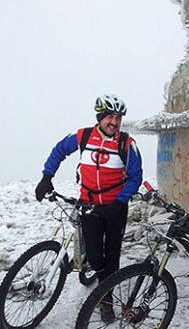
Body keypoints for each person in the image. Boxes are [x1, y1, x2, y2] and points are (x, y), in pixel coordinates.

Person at [34, 94, 143, 322]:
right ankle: (99, 277)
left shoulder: (126, 143)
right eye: (110, 117)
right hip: (89, 206)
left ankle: (106, 300)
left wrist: (119, 201)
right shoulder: (83, 136)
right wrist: (47, 176)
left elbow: (135, 176)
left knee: (112, 256)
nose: (114, 122)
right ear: (100, 117)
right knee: (95, 257)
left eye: (119, 118)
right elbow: (59, 150)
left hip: (115, 208)